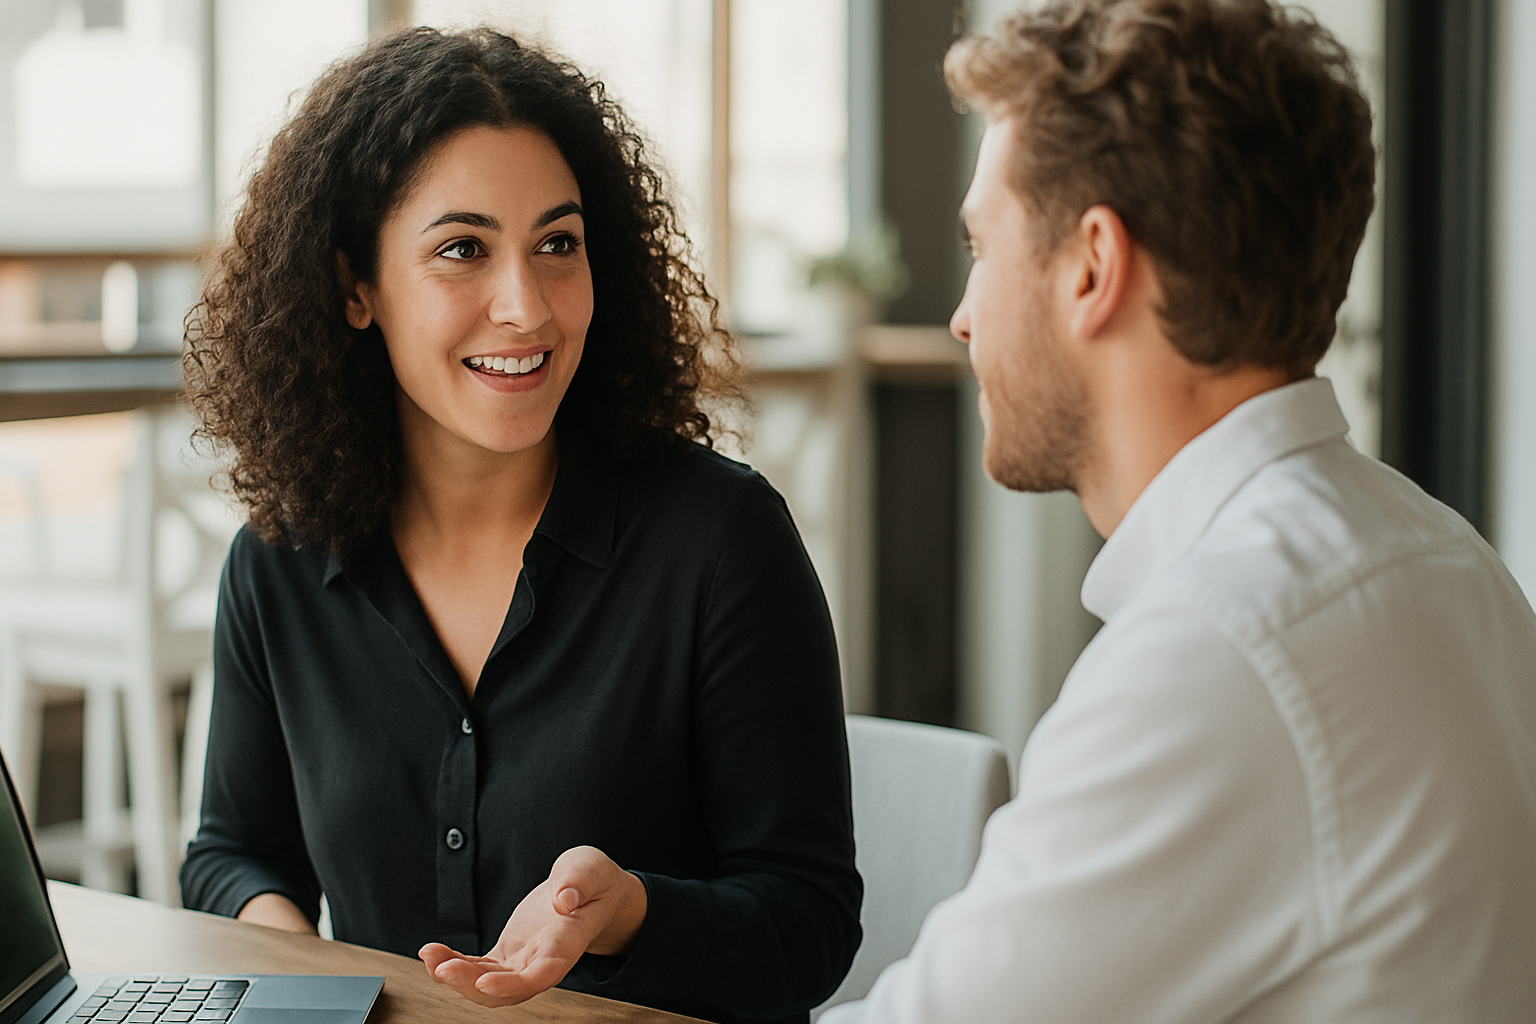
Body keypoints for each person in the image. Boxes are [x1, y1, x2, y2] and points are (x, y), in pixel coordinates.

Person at [822, 1, 1536, 1021]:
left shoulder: (1222, 647)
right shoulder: (1453, 564)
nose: (963, 316)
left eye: (983, 245)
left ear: (1094, 267)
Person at [178, 28, 861, 1024]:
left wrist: (630, 914)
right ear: (354, 287)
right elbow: (232, 851)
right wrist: (300, 964)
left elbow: (810, 928)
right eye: (463, 249)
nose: (526, 306)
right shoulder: (280, 561)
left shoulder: (722, 541)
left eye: (557, 245)